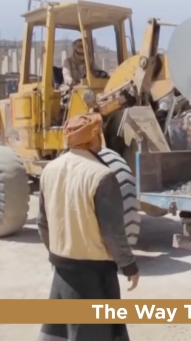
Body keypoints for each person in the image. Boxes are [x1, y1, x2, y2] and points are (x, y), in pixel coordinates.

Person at [37, 113, 139, 341]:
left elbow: (42, 223)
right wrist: (129, 265)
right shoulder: (102, 175)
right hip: (94, 276)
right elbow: (112, 232)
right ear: (93, 137)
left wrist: (59, 253)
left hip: (62, 271)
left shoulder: (49, 170)